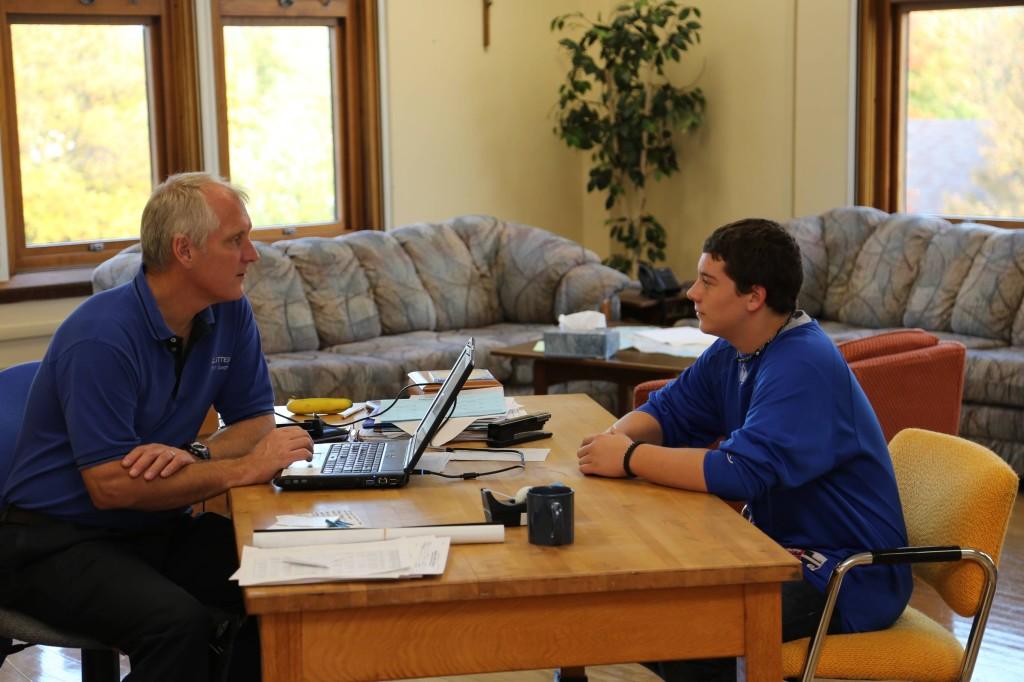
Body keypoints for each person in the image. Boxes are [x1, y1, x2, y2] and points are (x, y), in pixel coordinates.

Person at [0, 172, 313, 681]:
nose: (252, 255)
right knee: (176, 625)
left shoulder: (228, 313)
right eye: (235, 240)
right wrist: (243, 469)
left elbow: (256, 417)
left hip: (149, 525)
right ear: (184, 250)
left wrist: (200, 454)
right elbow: (111, 486)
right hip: (50, 543)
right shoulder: (100, 336)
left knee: (286, 582)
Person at [576, 218, 912, 681]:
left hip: (846, 576)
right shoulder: (737, 348)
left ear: (753, 297)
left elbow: (740, 473)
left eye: (708, 282)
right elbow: (670, 412)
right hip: (774, 552)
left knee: (693, 631)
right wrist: (620, 436)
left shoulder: (803, 365)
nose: (692, 293)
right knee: (650, 614)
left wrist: (629, 459)